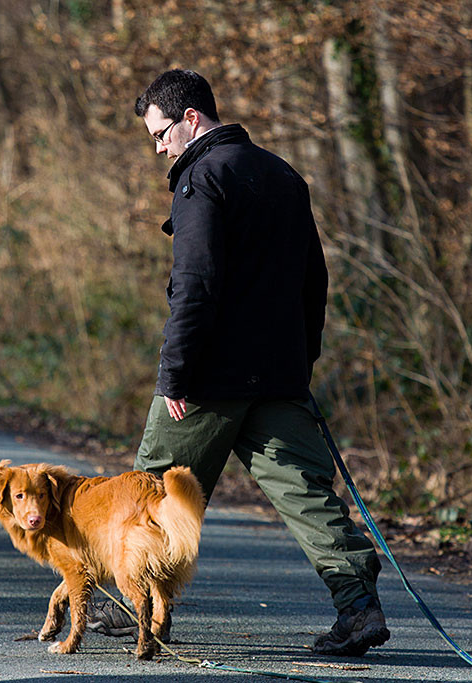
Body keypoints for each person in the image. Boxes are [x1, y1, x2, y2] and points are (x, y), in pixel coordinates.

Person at [87, 69, 390, 657]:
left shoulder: (202, 178)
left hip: (207, 380)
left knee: (151, 490)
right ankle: (358, 610)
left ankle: (137, 610)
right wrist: (301, 358)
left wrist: (175, 372)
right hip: (278, 375)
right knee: (308, 493)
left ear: (192, 119)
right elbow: (314, 281)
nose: (158, 149)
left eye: (161, 134)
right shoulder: (284, 176)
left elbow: (194, 284)